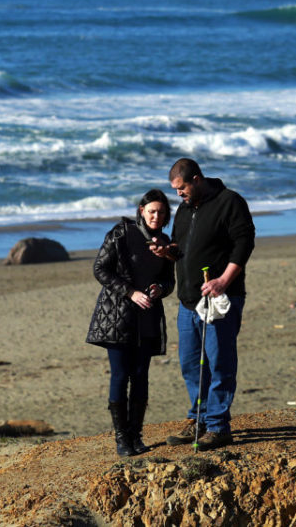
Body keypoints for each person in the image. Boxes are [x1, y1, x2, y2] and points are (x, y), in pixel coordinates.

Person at [157, 158, 255, 451]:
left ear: (197, 179)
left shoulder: (230, 202)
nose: (178, 195)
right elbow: (181, 246)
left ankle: (218, 427)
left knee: (219, 362)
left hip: (220, 299)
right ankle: (198, 419)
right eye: (175, 190)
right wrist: (168, 252)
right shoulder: (185, 210)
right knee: (190, 365)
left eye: (182, 188)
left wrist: (223, 280)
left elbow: (245, 242)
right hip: (188, 303)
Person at [85, 189, 175, 457]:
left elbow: (170, 280)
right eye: (151, 211)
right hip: (118, 317)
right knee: (120, 375)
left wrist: (161, 288)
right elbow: (100, 269)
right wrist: (130, 292)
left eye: (161, 212)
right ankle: (121, 439)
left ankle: (136, 435)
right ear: (141, 211)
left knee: (141, 377)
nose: (156, 216)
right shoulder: (120, 233)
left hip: (147, 317)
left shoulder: (166, 241)